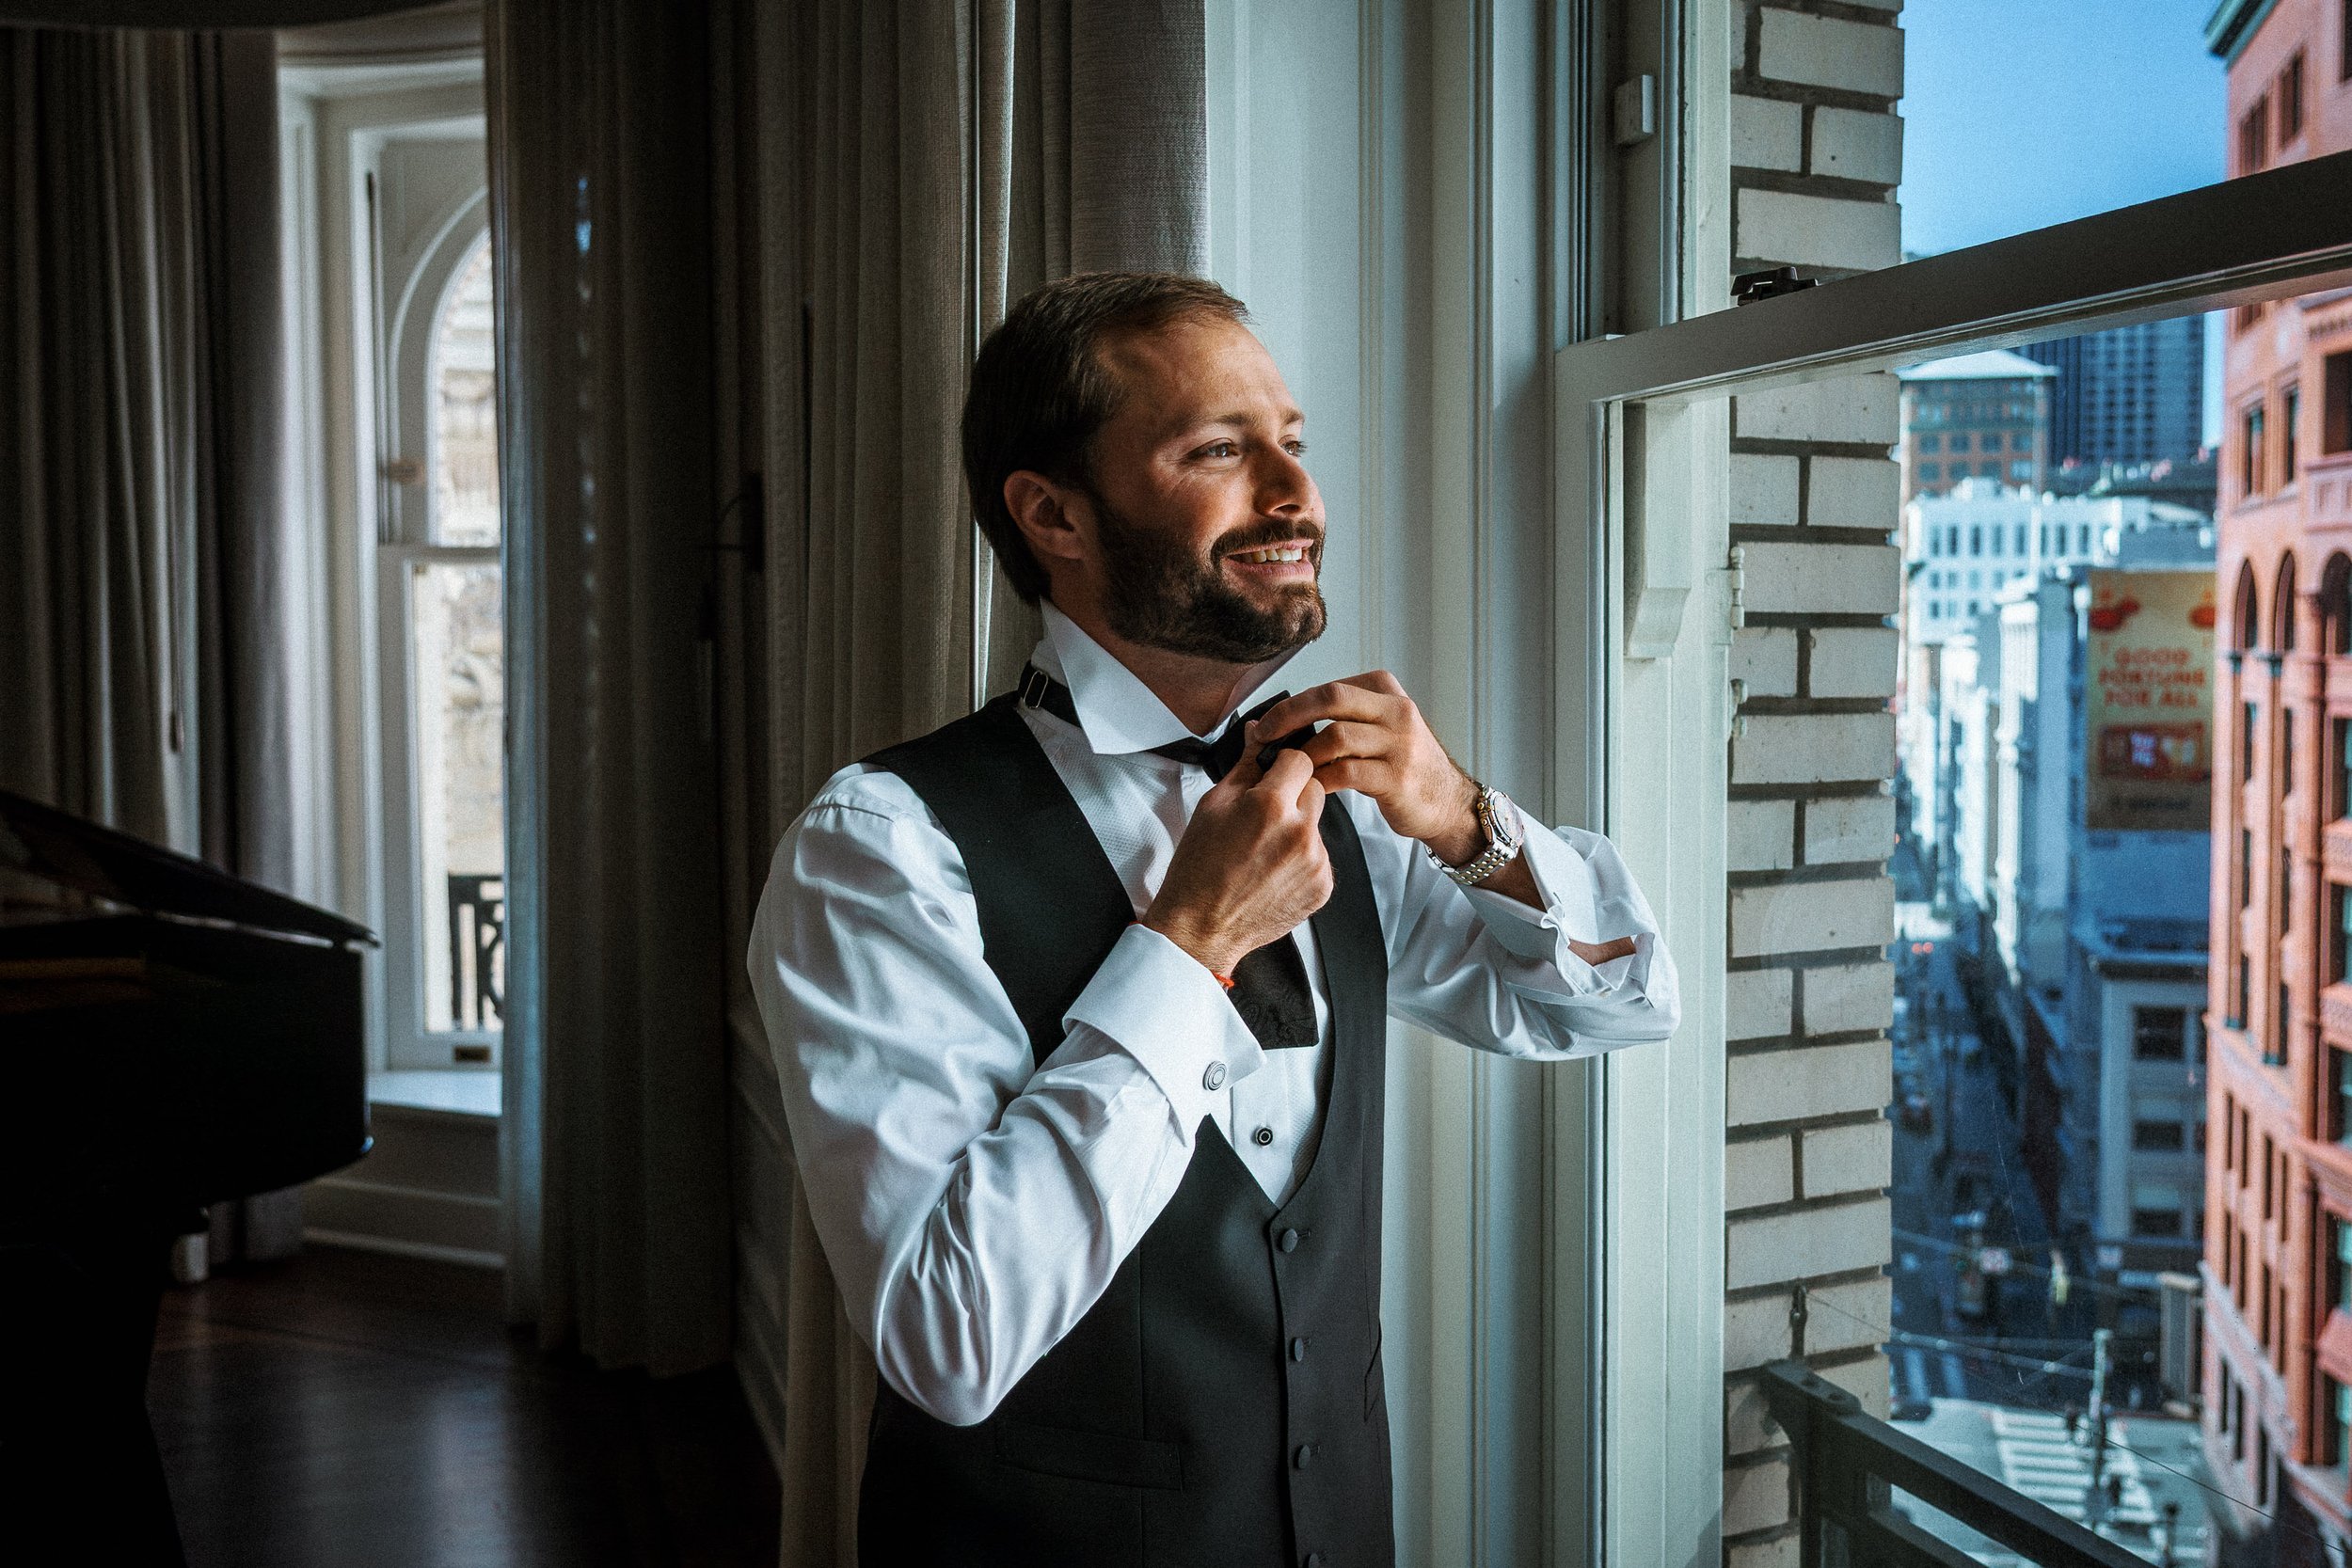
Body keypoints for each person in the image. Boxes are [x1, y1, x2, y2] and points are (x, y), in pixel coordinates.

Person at [747, 271, 1678, 1568]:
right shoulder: (883, 847)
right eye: (1220, 452)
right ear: (1054, 515)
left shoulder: (1345, 804)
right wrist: (1185, 947)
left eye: (1291, 445)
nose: (1298, 499)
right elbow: (945, 1340)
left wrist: (1470, 823)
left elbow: (1619, 1005)